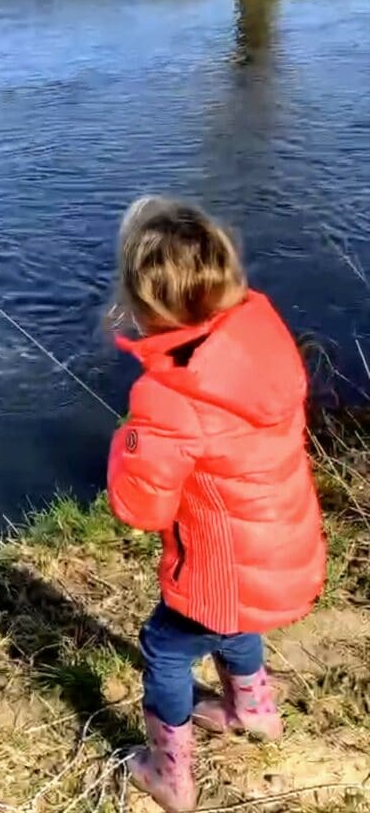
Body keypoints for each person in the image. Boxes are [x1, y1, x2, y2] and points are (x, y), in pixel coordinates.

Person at [106, 197, 325, 813]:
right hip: (279, 545)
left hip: (220, 567)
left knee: (165, 647)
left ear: (143, 307)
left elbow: (141, 509)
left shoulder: (167, 396)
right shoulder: (263, 343)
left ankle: (168, 774)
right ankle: (253, 711)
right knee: (236, 620)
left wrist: (126, 445)